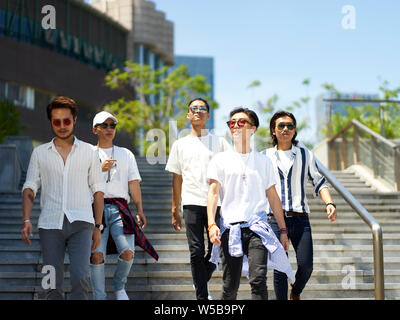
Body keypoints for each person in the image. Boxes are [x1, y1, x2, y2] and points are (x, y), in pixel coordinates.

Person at [21, 96, 105, 300]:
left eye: (66, 121)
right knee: (50, 282)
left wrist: (98, 226)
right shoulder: (40, 153)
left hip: (82, 223)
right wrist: (26, 219)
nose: (62, 126)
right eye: (56, 121)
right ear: (50, 122)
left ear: (75, 119)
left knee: (80, 277)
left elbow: (98, 190)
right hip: (50, 225)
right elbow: (30, 186)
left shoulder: (90, 152)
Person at [207, 107, 295, 300]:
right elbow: (213, 193)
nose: (236, 126)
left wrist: (282, 230)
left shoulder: (263, 161)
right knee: (230, 286)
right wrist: (212, 224)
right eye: (232, 123)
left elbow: (272, 197)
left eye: (241, 122)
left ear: (253, 128)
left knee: (258, 280)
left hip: (257, 228)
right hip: (230, 229)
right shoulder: (220, 160)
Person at [263, 110, 337, 300]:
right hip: (274, 220)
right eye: (281, 125)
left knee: (306, 265)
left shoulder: (305, 155)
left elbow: (319, 181)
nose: (286, 129)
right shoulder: (264, 156)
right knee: (280, 269)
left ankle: (295, 292)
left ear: (295, 131)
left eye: (290, 126)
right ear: (273, 130)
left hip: (300, 219)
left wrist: (329, 203)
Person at [165, 98, 231, 300]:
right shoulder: (180, 144)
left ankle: (199, 280)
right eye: (194, 108)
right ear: (188, 115)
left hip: (216, 204)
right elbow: (177, 179)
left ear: (208, 116)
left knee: (215, 252)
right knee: (195, 251)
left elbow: (231, 169)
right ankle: (202, 297)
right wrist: (174, 209)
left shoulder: (219, 142)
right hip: (191, 203)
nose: (198, 111)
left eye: (203, 109)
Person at [90, 111, 158, 300]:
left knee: (128, 252)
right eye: (105, 125)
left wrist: (139, 209)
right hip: (95, 208)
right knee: (96, 255)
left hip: (120, 208)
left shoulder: (125, 153)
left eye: (113, 125)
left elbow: (134, 183)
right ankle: (99, 296)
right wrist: (99, 170)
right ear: (95, 129)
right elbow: (80, 183)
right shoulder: (87, 154)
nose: (110, 129)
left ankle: (119, 287)